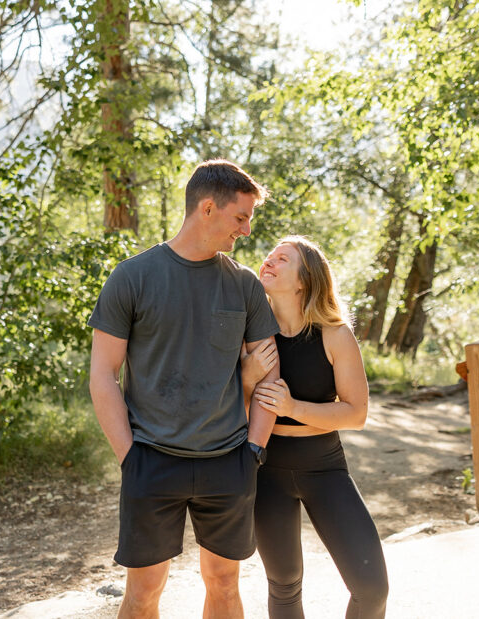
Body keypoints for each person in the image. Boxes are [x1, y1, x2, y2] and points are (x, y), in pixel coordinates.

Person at [87, 159, 281, 619]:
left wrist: (253, 450)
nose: (248, 230)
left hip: (228, 461)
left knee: (224, 585)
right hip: (151, 460)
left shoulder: (244, 285)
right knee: (143, 592)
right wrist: (130, 457)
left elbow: (270, 377)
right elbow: (102, 374)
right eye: (242, 216)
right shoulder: (132, 277)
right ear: (208, 208)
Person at [241, 236, 389, 619]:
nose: (268, 261)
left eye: (282, 258)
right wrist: (247, 375)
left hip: (324, 466)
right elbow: (230, 406)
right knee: (284, 585)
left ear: (304, 279)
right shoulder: (249, 336)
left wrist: (292, 406)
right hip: (267, 470)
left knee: (371, 589)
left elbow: (356, 414)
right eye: (269, 255)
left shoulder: (335, 335)